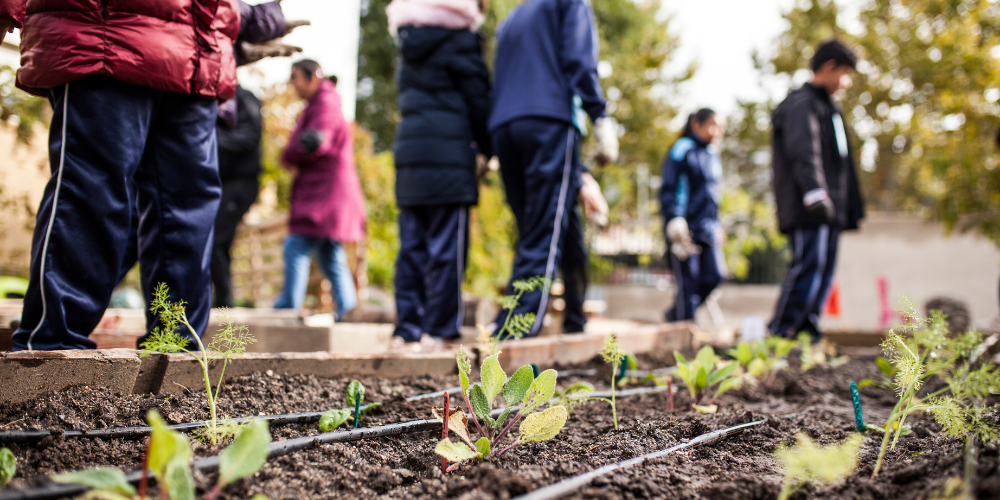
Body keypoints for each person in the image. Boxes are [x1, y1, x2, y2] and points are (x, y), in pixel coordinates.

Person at [0, 0, 246, 351]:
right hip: (106, 33)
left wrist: (236, 25)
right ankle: (52, 351)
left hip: (196, 53)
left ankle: (174, 348)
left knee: (188, 205)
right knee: (94, 192)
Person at [489, 0, 618, 338]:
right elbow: (579, 58)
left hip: (505, 127)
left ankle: (575, 317)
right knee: (542, 233)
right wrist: (599, 113)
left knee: (554, 226)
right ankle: (515, 330)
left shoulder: (512, 17)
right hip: (550, 122)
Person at [385, 0, 492, 349]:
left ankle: (407, 330)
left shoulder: (409, 40)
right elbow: (479, 101)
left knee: (412, 247)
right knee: (447, 248)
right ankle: (441, 330)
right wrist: (491, 149)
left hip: (411, 155)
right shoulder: (461, 39)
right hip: (450, 156)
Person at [769, 39, 865, 341]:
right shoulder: (803, 103)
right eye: (846, 73)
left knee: (823, 273)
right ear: (829, 67)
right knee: (808, 267)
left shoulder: (829, 107)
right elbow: (804, 150)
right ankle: (780, 331)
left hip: (830, 206)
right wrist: (814, 192)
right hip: (810, 204)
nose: (847, 82)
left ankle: (807, 331)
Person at [274, 60, 366, 318]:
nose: (294, 84)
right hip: (329, 191)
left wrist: (294, 152)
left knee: (297, 245)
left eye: (296, 78)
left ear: (313, 76)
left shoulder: (324, 103)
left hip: (324, 194)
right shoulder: (322, 102)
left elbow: (316, 141)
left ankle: (288, 307)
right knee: (329, 253)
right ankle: (347, 310)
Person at [661, 109, 727, 323]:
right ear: (696, 124)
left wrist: (717, 225)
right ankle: (684, 330)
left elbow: (712, 196)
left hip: (707, 228)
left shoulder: (711, 154)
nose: (718, 132)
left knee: (715, 275)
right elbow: (670, 186)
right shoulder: (683, 149)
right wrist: (674, 217)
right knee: (688, 282)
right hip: (684, 228)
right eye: (714, 125)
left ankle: (675, 315)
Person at [212, 86, 264, 308]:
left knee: (215, 240)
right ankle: (222, 301)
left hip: (240, 182)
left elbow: (250, 136)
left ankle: (224, 303)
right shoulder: (214, 98)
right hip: (222, 182)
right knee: (218, 241)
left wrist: (209, 138)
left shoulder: (244, 99)